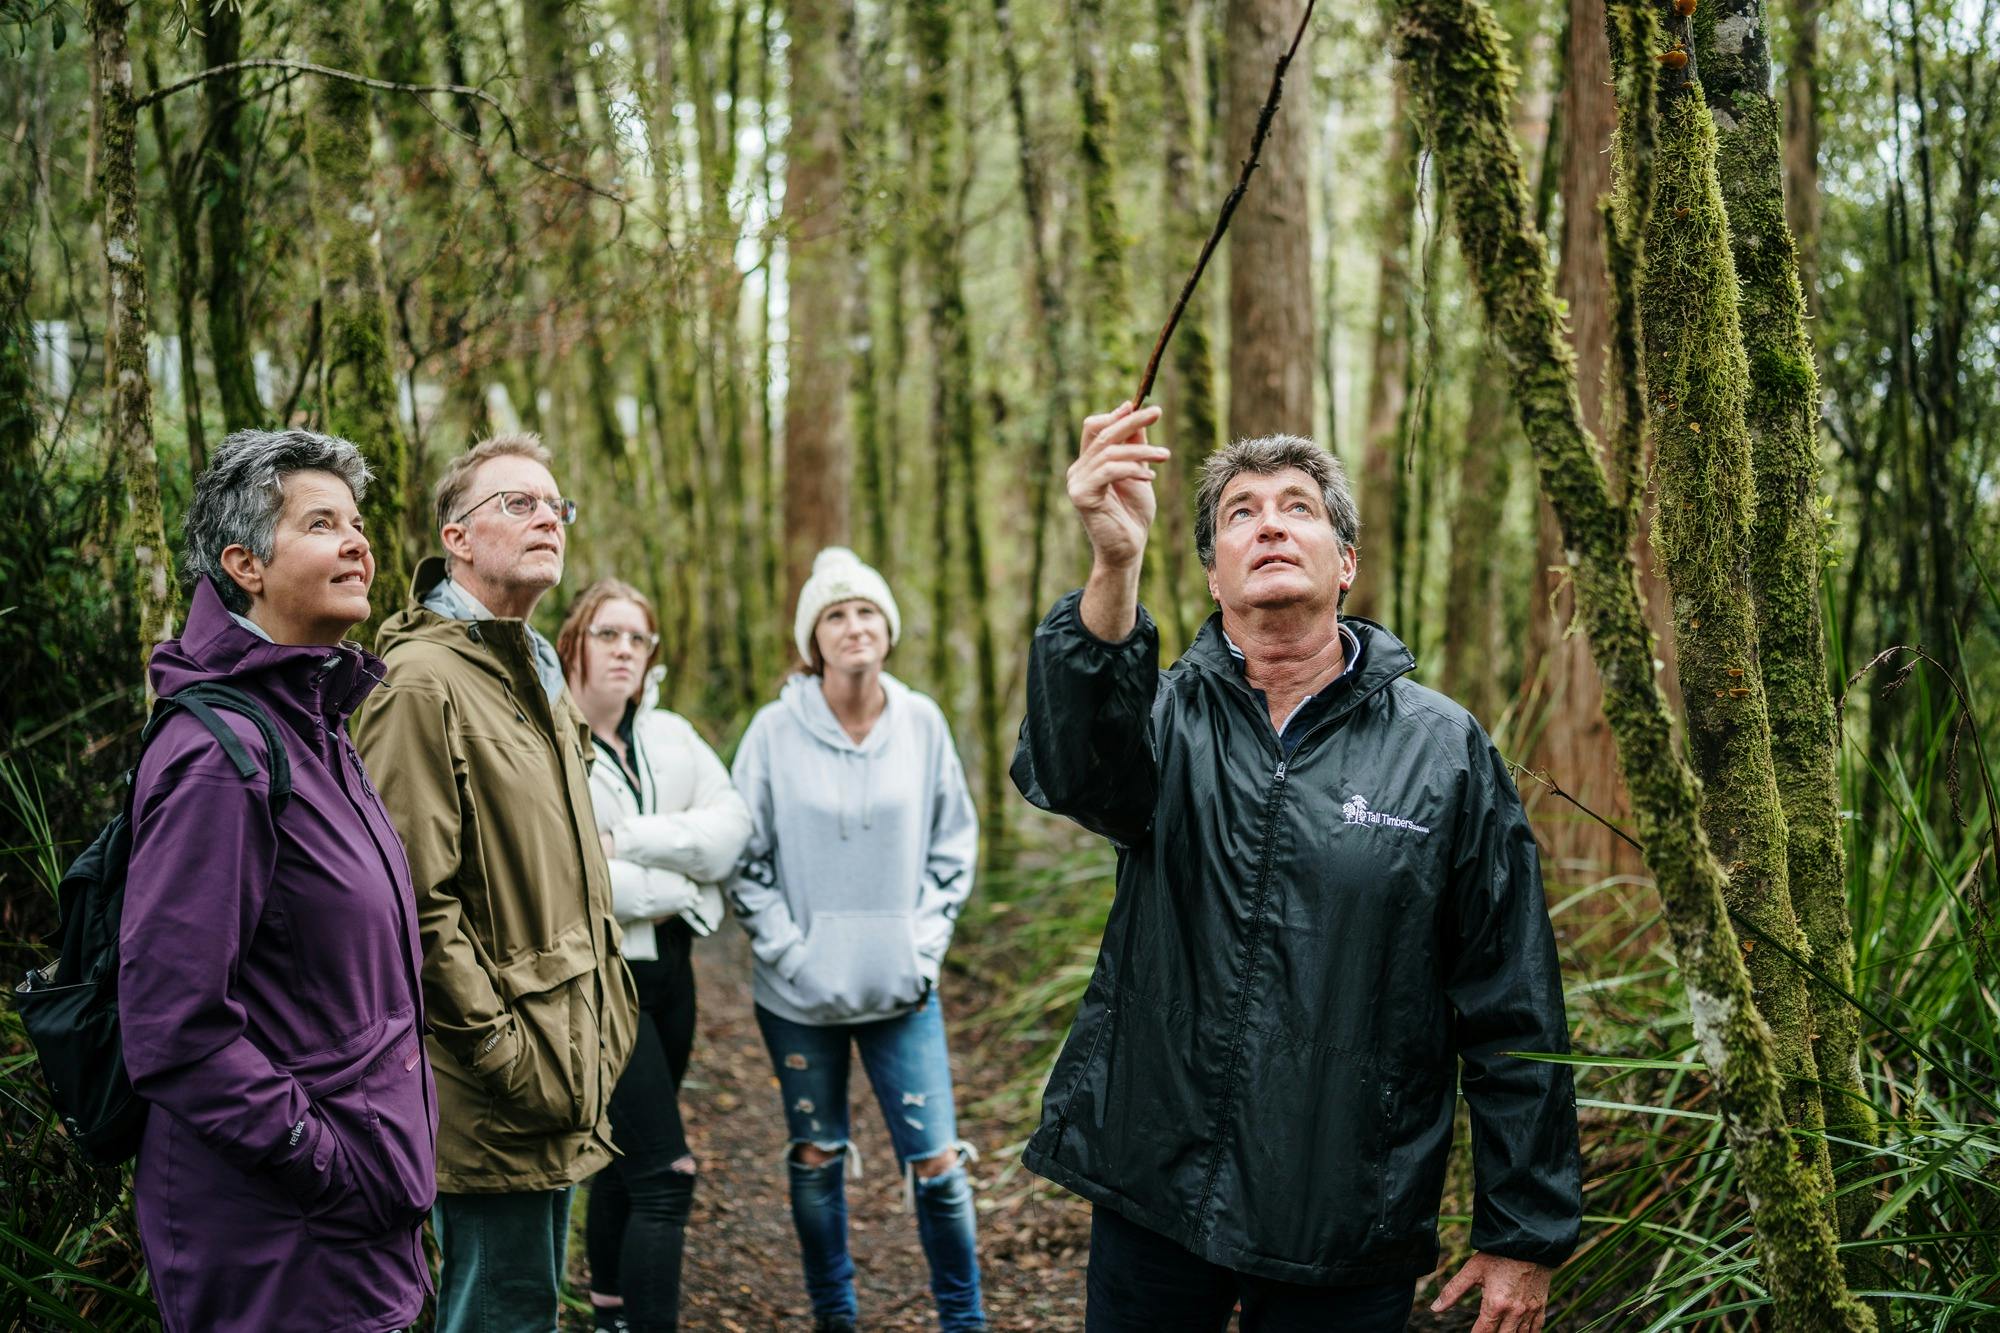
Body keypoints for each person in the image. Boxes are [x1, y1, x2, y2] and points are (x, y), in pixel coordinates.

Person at [1011, 404, 1582, 1333]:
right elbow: (1074, 770)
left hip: (1348, 1210)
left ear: (1345, 561)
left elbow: (1511, 994)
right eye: (1240, 513)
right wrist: (1113, 564)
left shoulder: (1444, 751)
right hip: (1158, 1187)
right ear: (1211, 574)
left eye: (1297, 506)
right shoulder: (1160, 719)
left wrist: (1524, 1229)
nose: (1269, 523)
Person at [120, 429, 436, 1332]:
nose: (359, 543)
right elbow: (174, 1025)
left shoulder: (317, 724)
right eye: (322, 522)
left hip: (352, 1227)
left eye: (361, 522)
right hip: (279, 1241)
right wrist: (325, 1160)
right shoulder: (222, 755)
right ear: (243, 564)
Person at [351, 434, 639, 1333]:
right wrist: (502, 1051)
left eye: (556, 504)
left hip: (558, 1062)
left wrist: (609, 1010)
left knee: (525, 1308)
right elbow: (411, 903)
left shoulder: (536, 673)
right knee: (498, 1315)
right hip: (490, 1085)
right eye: (518, 502)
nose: (548, 515)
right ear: (457, 538)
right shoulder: (417, 683)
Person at [728, 547, 987, 1333]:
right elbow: (744, 855)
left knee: (939, 1165)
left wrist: (922, 947)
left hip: (901, 990)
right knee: (816, 1157)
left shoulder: (922, 722)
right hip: (799, 997)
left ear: (888, 627)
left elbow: (954, 845)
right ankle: (834, 1316)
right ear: (814, 638)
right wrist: (790, 952)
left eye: (866, 611)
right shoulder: (773, 731)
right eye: (835, 615)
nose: (854, 627)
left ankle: (964, 1320)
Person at [557, 578, 752, 1333]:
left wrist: (631, 845)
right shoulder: (550, 739)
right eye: (608, 633)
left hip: (674, 973)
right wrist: (675, 874)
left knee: (624, 1159)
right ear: (575, 639)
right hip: (602, 981)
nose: (625, 651)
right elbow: (572, 879)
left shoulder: (668, 735)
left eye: (638, 638)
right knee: (667, 1174)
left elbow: (730, 829)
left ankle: (610, 1316)